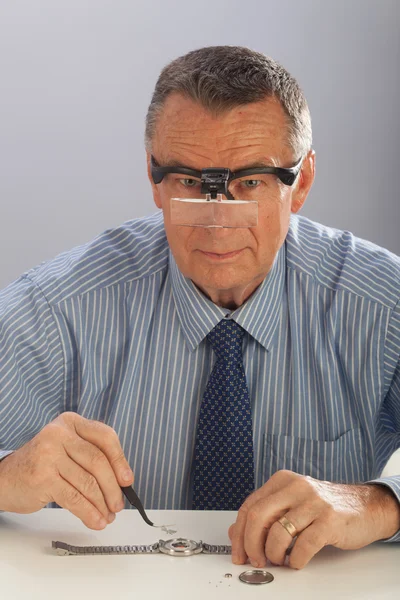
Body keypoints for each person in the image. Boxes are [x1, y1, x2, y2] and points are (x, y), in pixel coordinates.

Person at [0, 45, 399, 571]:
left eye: (251, 182)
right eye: (189, 181)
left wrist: (381, 502)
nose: (218, 222)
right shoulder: (52, 309)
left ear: (300, 182)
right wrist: (6, 477)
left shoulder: (383, 305)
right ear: (153, 177)